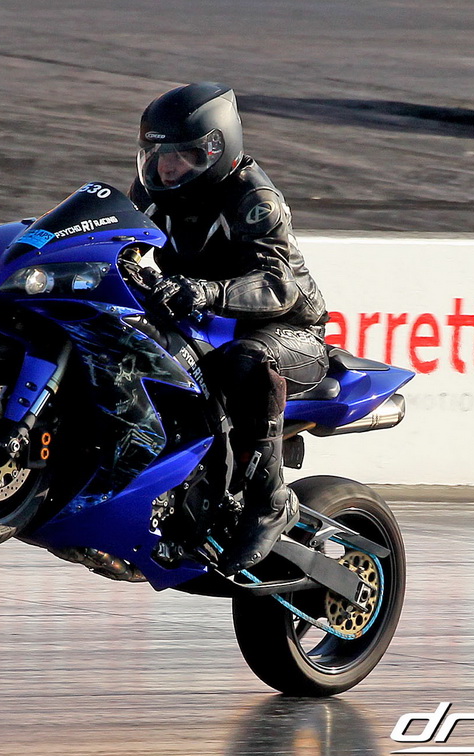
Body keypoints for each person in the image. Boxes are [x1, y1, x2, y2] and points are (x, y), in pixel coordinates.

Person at [129, 82, 329, 574]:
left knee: (245, 360)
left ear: (217, 149)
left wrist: (206, 292)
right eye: (158, 154)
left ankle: (270, 500)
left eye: (182, 155)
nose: (167, 167)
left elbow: (278, 286)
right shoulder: (151, 191)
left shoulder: (253, 197)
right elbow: (122, 241)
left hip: (286, 332)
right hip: (205, 324)